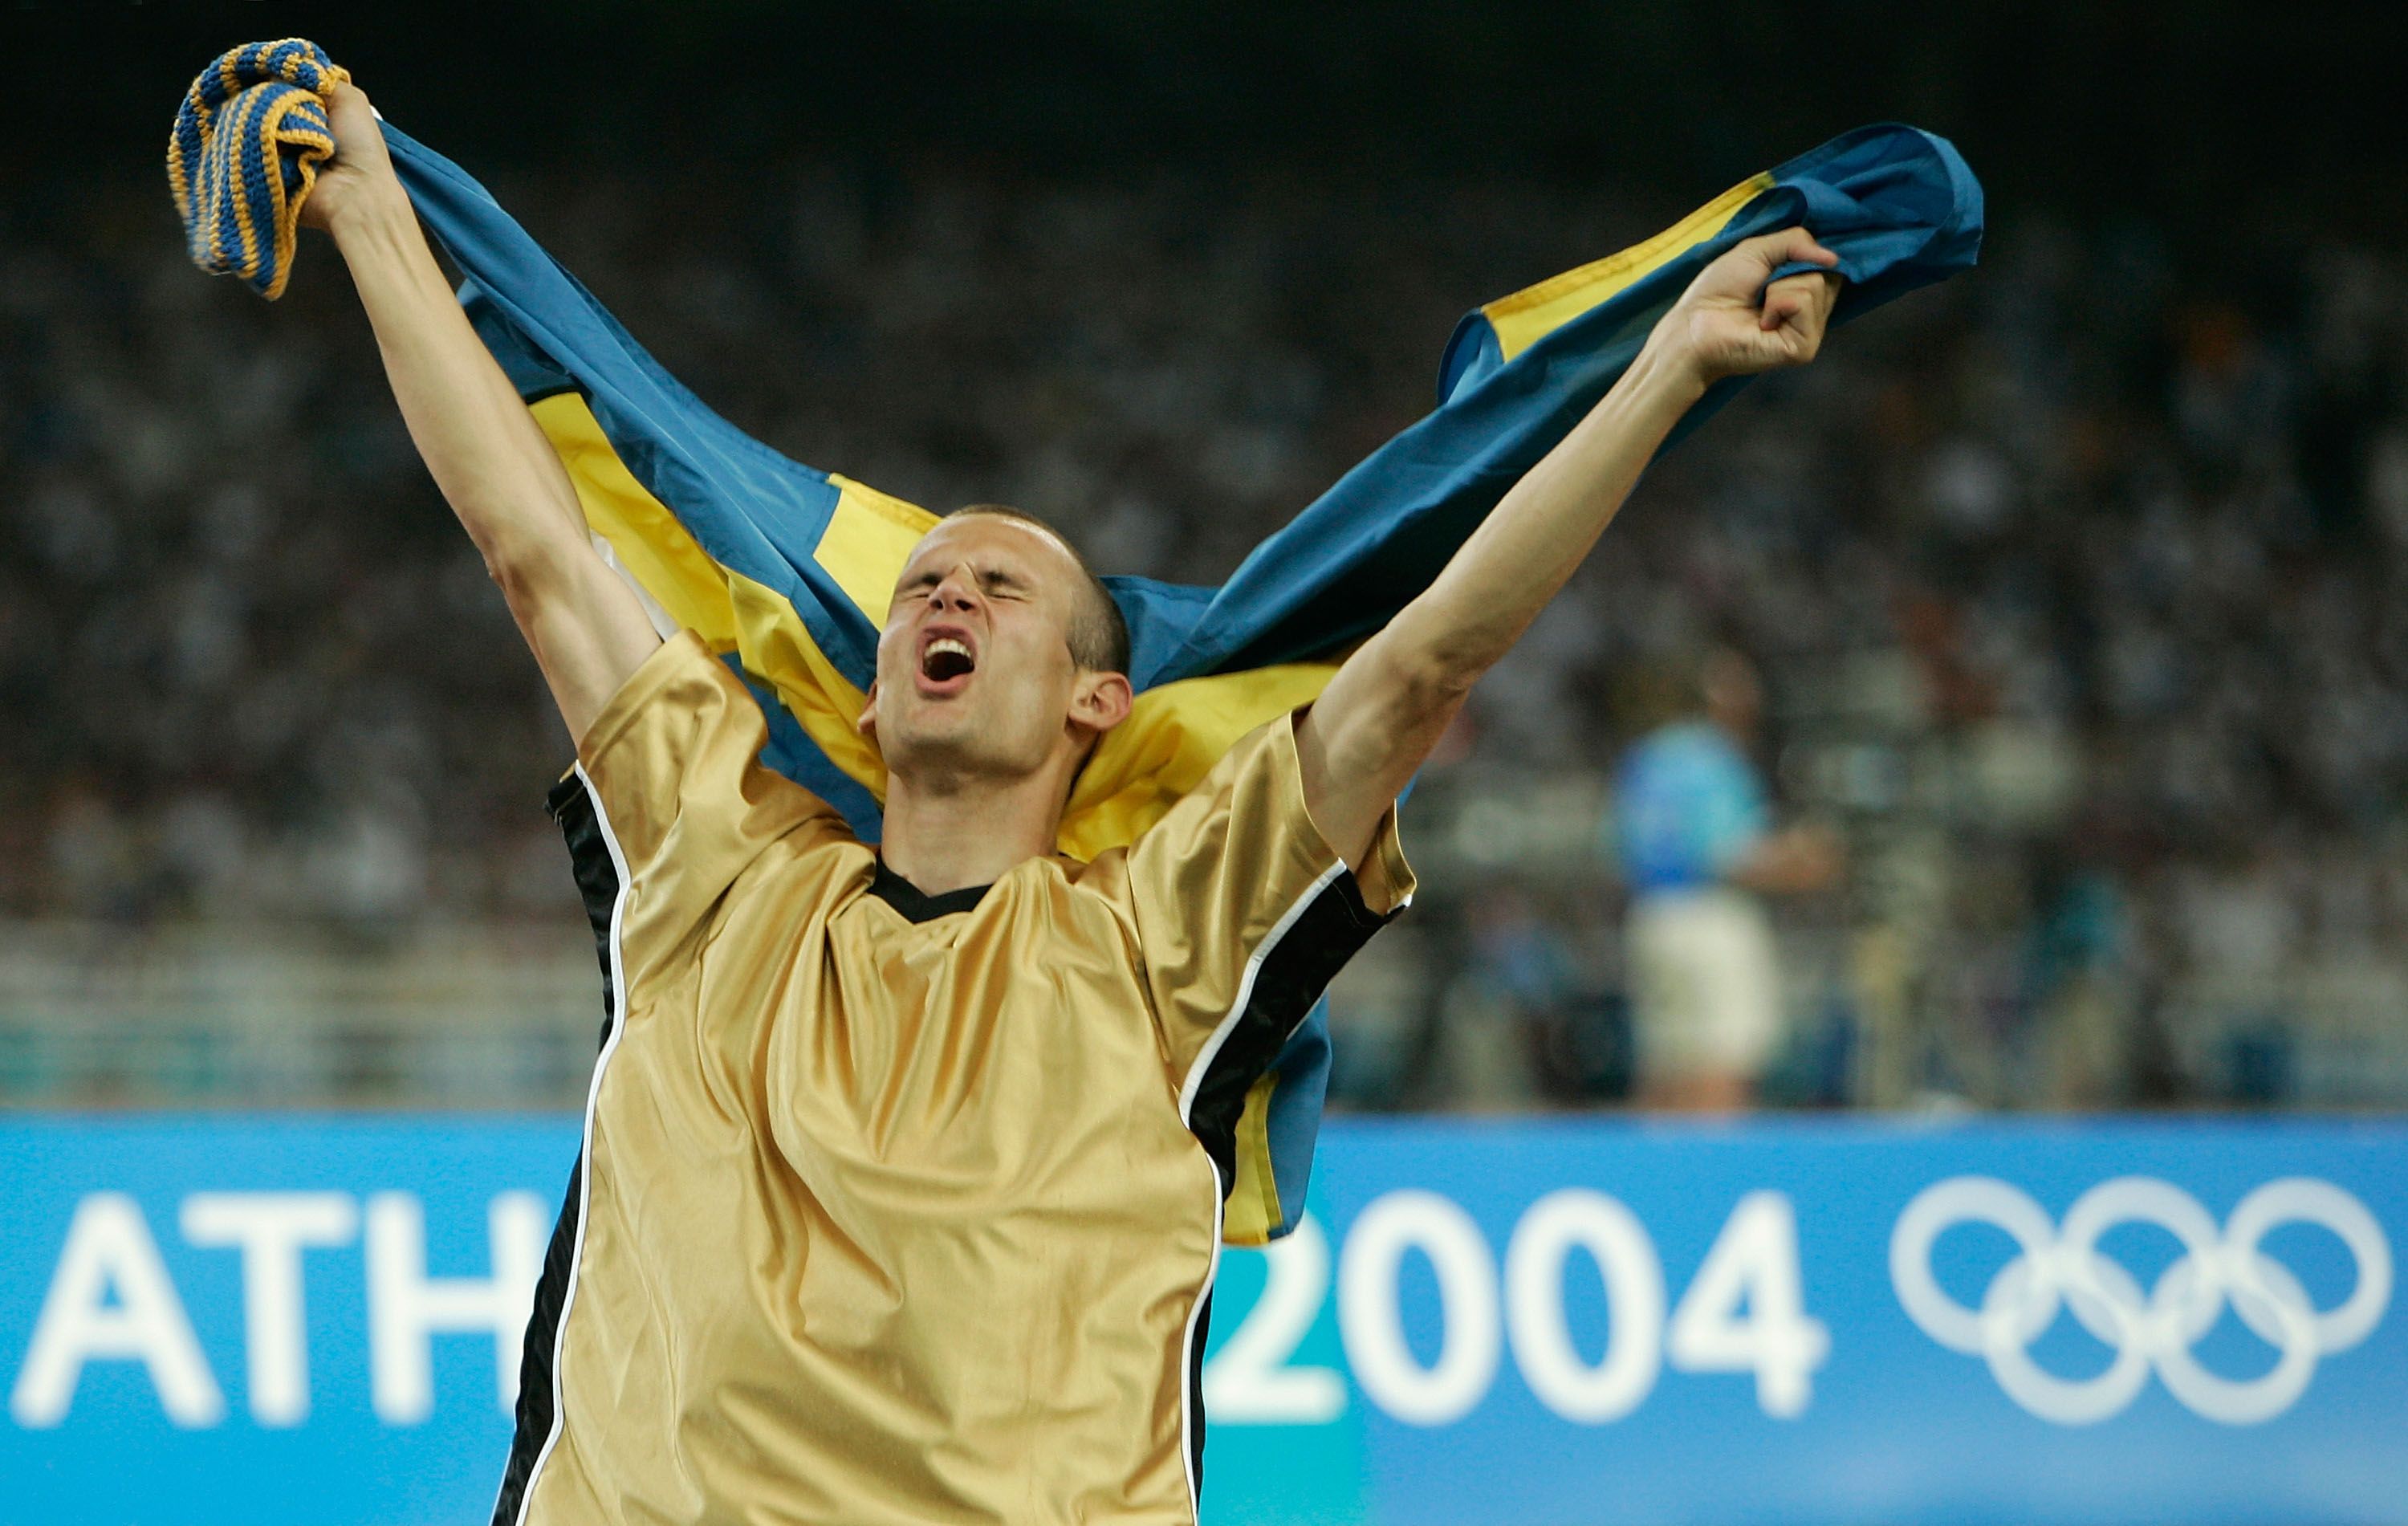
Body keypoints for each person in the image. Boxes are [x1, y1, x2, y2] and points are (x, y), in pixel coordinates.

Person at [295, 75, 1841, 1526]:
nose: (939, 596)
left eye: (997, 584)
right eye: (918, 586)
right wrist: (370, 211)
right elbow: (541, 552)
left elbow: (1423, 661)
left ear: (1099, 700)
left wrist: (1668, 370)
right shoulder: (713, 875)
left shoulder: (1163, 948)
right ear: (878, 678)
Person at [1610, 647, 1842, 1109]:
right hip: (1709, 919)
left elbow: (1620, 848)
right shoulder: (1714, 760)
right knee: (1721, 1062)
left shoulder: (1647, 756)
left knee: (1664, 1066)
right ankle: (1714, 1179)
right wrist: (1803, 864)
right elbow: (1731, 857)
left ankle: (1646, 1178)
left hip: (1651, 917)